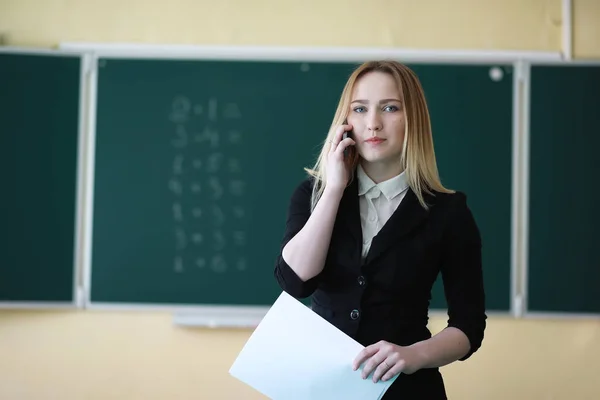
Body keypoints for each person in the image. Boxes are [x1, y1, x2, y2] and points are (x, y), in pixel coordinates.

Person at [273, 60, 486, 399]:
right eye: (360, 109)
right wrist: (333, 189)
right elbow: (296, 281)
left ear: (411, 119)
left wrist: (413, 355)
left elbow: (469, 326)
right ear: (346, 122)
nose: (372, 123)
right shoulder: (312, 194)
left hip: (407, 389)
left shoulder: (449, 212)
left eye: (390, 108)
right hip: (321, 387)